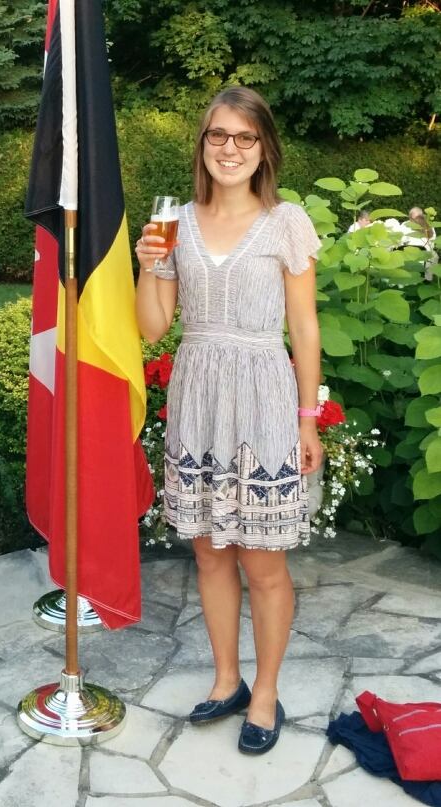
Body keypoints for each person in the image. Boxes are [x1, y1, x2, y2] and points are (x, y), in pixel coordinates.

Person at [134, 86, 323, 755]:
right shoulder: (172, 222)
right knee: (210, 552)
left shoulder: (286, 221)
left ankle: (266, 691)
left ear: (264, 148)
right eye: (219, 135)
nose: (230, 149)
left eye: (245, 137)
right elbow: (153, 327)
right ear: (203, 144)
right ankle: (226, 678)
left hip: (265, 397)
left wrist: (308, 419)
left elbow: (303, 325)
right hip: (198, 395)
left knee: (263, 563)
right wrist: (149, 266)